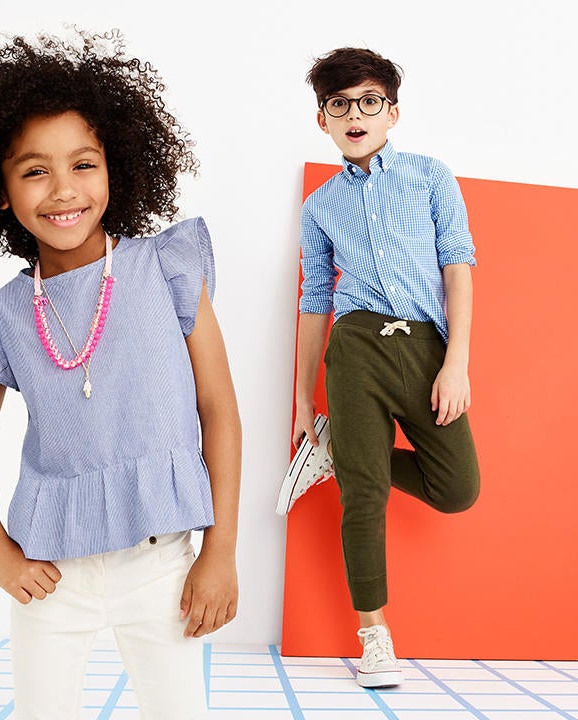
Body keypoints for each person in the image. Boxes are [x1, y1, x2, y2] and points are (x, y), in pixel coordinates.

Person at [0, 30, 241, 720]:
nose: (64, 190)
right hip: (51, 575)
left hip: (161, 564)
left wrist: (220, 552)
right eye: (35, 171)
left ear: (116, 167)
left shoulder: (166, 269)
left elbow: (219, 410)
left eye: (84, 164)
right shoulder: (2, 315)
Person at [277, 47, 480, 688]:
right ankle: (375, 637)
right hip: (357, 347)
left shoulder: (429, 176)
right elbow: (315, 300)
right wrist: (304, 398)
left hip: (425, 350)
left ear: (392, 112)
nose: (354, 115)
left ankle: (339, 454)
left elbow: (458, 265)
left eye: (369, 101)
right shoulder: (320, 207)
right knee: (364, 496)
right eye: (339, 105)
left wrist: (456, 362)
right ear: (323, 120)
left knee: (458, 489)